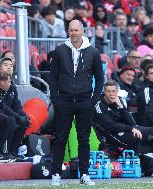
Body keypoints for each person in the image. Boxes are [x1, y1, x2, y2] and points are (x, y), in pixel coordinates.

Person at [49, 19, 104, 186]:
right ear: (68, 31)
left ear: (82, 31)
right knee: (60, 138)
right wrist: (55, 98)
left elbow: (100, 78)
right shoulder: (59, 51)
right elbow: (53, 77)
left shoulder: (93, 52)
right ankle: (56, 173)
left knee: (84, 139)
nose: (73, 33)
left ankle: (85, 174)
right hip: (64, 101)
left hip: (84, 101)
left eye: (76, 30)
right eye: (70, 30)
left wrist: (93, 100)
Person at [93, 80, 153, 177]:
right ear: (104, 92)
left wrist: (120, 106)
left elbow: (132, 122)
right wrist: (130, 128)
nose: (111, 94)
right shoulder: (99, 105)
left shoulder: (119, 100)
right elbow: (110, 126)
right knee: (150, 139)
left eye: (113, 91)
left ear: (117, 91)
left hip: (124, 131)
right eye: (108, 91)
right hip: (111, 136)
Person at [0, 70, 30, 161]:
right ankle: (1, 152)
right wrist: (17, 117)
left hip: (5, 115)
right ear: (1, 83)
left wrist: (24, 117)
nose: (10, 83)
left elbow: (17, 106)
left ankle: (12, 152)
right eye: (9, 81)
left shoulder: (11, 88)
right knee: (11, 120)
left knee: (24, 122)